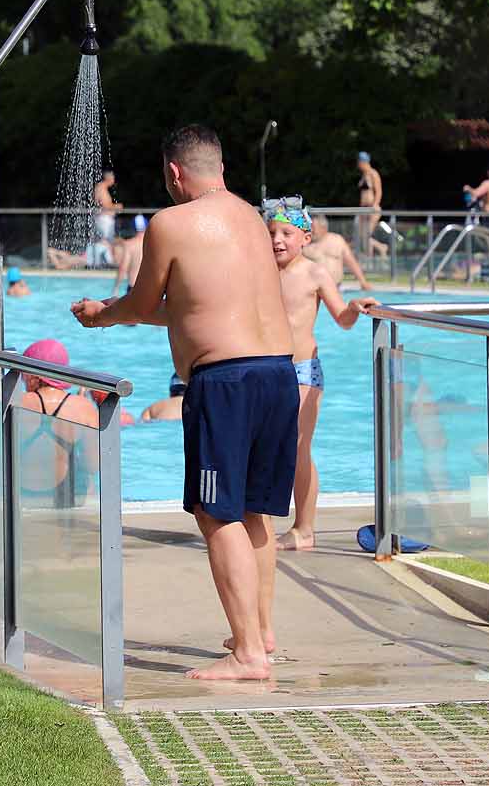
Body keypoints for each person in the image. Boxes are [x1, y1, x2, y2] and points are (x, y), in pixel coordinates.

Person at [72, 124, 297, 681]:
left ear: (174, 172)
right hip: (278, 373)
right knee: (255, 511)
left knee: (215, 513)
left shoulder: (171, 224)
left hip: (225, 381)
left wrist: (104, 313)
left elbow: (147, 301)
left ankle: (247, 655)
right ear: (219, 167)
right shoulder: (251, 217)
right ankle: (261, 632)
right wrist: (119, 309)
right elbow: (193, 307)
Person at [263, 197, 377, 551]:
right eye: (271, 232)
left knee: (299, 448)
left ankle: (304, 528)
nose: (277, 240)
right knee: (265, 446)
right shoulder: (261, 272)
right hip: (267, 370)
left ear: (305, 238)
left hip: (302, 370)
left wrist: (355, 309)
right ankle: (261, 521)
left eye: (286, 232)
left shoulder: (315, 273)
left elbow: (341, 319)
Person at [14, 338, 100, 507]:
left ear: (32, 373)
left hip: (21, 495)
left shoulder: (15, 402)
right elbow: (92, 466)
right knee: (87, 478)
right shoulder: (83, 407)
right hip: (66, 497)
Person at [305, 214, 372, 290]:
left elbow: (351, 261)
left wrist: (363, 282)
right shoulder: (305, 244)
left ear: (323, 227)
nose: (311, 230)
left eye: (313, 227)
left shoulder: (337, 240)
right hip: (314, 288)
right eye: (309, 228)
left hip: (336, 288)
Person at [110, 215, 147, 296]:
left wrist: (116, 288)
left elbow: (123, 267)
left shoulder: (130, 245)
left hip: (133, 288)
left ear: (132, 228)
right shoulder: (152, 244)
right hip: (148, 289)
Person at [356, 151, 383, 255]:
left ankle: (370, 256)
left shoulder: (373, 173)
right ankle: (379, 249)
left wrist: (375, 205)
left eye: (359, 162)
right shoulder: (364, 175)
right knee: (362, 235)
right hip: (364, 209)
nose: (358, 165)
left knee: (366, 235)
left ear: (364, 162)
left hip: (372, 208)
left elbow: (379, 191)